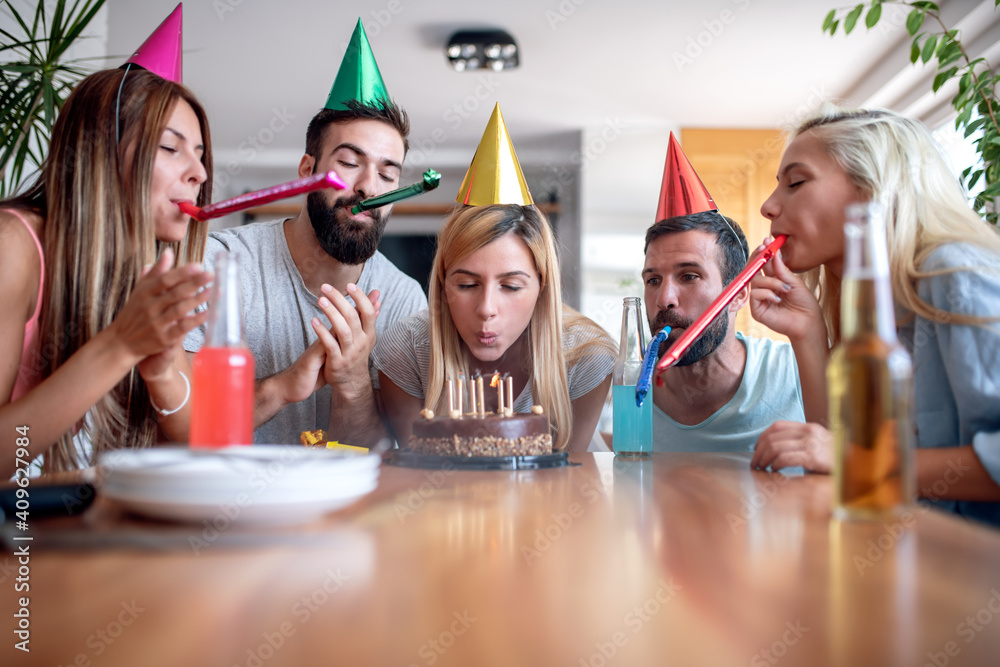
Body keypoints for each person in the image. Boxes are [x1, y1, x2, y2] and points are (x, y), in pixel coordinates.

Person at [749, 105, 1000, 525]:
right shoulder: (861, 307)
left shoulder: (953, 272)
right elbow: (840, 450)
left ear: (871, 191)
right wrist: (807, 333)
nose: (768, 206)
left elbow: (851, 460)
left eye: (796, 182)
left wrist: (859, 462)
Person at [183, 21, 426, 447]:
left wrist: (352, 384)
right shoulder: (220, 266)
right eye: (350, 162)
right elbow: (180, 429)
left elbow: (382, 460)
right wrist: (280, 387)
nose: (369, 187)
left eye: (388, 174)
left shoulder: (405, 301)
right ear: (307, 170)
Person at [0, 66, 214, 476]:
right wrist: (120, 346)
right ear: (99, 151)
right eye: (171, 148)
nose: (200, 174)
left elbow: (196, 442)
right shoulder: (14, 244)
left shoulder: (142, 268)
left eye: (201, 155)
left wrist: (163, 369)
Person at [371, 103, 616, 452]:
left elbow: (567, 486)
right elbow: (419, 480)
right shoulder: (405, 352)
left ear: (542, 286)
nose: (487, 309)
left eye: (511, 286)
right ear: (442, 284)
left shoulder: (586, 356)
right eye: (467, 284)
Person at [637, 132, 805, 454]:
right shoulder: (629, 382)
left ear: (739, 293)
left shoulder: (796, 373)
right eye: (653, 280)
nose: (664, 299)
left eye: (689, 276)